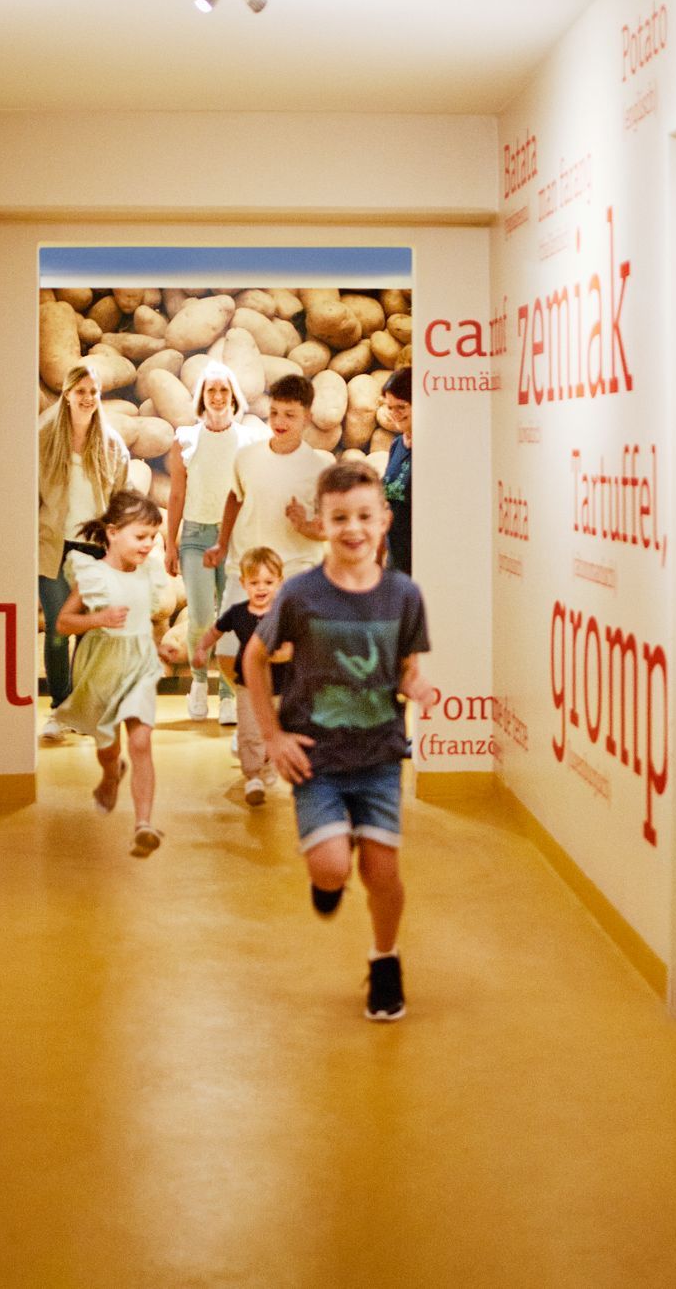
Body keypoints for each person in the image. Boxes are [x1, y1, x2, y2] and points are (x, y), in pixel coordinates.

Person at [245, 461, 433, 1021]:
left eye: (364, 516)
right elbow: (256, 658)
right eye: (340, 517)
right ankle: (330, 864)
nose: (353, 528)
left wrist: (415, 684)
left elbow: (405, 666)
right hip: (316, 758)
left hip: (378, 756)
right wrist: (273, 734)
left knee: (382, 872)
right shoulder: (301, 595)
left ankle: (385, 960)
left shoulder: (403, 595)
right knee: (330, 869)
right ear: (320, 524)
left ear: (384, 520)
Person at [52, 490, 168, 857]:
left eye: (152, 537)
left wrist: (161, 647)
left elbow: (146, 620)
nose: (148, 544)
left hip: (139, 666)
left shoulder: (150, 573)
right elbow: (63, 624)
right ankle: (109, 772)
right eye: (140, 536)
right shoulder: (93, 575)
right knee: (109, 747)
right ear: (113, 532)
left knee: (141, 742)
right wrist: (97, 619)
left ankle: (144, 824)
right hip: (102, 668)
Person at [36, 363, 130, 739]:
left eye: (93, 392)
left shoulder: (111, 445)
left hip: (94, 551)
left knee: (90, 635)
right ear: (67, 394)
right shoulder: (44, 438)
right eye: (81, 391)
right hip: (54, 547)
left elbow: (121, 501)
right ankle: (59, 709)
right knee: (59, 630)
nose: (87, 398)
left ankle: (85, 711)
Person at [166, 364, 260, 726]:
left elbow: (252, 493)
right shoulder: (185, 438)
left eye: (224, 391)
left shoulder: (250, 440)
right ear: (201, 398)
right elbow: (176, 494)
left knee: (230, 618)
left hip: (235, 538)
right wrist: (171, 544)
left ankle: (228, 696)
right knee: (202, 617)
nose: (218, 397)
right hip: (194, 537)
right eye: (211, 391)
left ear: (233, 396)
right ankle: (199, 684)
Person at [219, 373, 333, 594]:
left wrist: (304, 525)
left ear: (308, 417)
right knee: (233, 628)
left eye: (290, 415)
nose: (279, 422)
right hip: (246, 569)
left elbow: (329, 530)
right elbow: (235, 499)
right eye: (274, 413)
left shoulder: (320, 470)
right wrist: (222, 544)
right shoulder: (246, 456)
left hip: (296, 575)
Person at [193, 547, 289, 806]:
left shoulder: (284, 614)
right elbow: (215, 631)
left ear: (280, 582)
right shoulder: (237, 613)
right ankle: (253, 776)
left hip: (280, 685)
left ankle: (268, 762)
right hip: (248, 682)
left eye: (268, 582)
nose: (261, 588)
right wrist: (202, 649)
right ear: (243, 583)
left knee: (274, 729)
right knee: (248, 729)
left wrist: (282, 654)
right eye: (254, 582)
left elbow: (296, 644)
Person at [379, 367, 413, 573]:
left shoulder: (434, 451)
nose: (394, 414)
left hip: (422, 557)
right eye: (389, 407)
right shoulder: (397, 445)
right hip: (396, 557)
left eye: (401, 407)